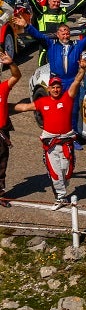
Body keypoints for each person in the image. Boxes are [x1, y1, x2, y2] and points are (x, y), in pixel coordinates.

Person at [15, 60, 86, 208]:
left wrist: (82, 69)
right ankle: (60, 197)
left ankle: (62, 190)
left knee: (67, 172)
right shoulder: (42, 102)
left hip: (67, 141)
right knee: (55, 173)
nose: (56, 89)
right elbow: (23, 107)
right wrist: (4, 106)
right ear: (48, 89)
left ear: (61, 88)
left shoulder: (67, 97)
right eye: (53, 87)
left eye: (58, 87)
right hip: (50, 143)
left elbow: (76, 80)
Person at [0, 53, 18, 205]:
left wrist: (11, 63)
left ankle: (0, 194)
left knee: (1, 164)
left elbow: (16, 75)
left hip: (1, 133)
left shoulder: (3, 88)